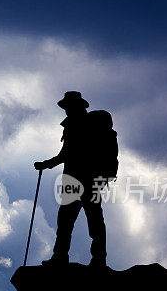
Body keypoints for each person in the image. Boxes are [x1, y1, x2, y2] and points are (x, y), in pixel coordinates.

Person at [34, 91, 115, 268]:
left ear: (76, 106)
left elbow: (65, 154)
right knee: (74, 220)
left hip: (83, 179)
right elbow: (65, 154)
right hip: (83, 180)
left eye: (68, 106)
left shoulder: (83, 125)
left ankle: (85, 257)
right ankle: (87, 257)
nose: (66, 110)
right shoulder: (73, 125)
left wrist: (46, 164)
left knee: (83, 220)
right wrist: (46, 164)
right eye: (66, 107)